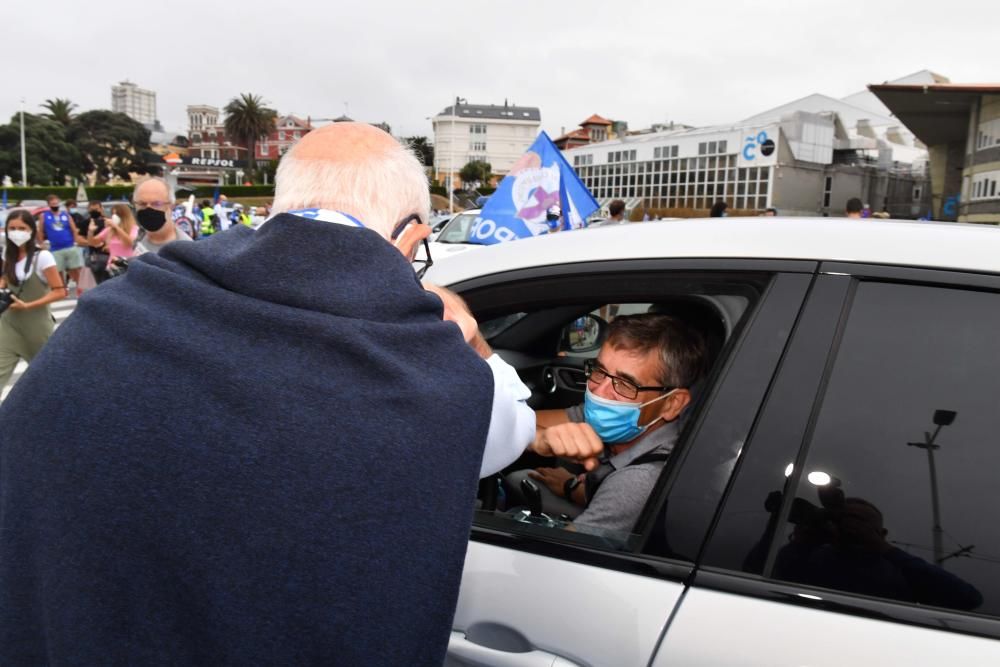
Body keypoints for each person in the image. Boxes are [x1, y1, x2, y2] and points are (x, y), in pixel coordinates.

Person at [0, 122, 567, 665]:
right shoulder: (434, 369)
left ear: (274, 211)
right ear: (414, 235)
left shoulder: (111, 314)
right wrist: (463, 323)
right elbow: (510, 429)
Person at [509, 313, 706, 538]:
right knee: (522, 478)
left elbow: (566, 558)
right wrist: (573, 487)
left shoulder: (639, 481)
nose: (599, 392)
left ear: (672, 404)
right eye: (599, 371)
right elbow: (522, 421)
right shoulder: (622, 414)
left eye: (625, 384)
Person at [0, 209, 67, 390]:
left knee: (49, 380)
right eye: (12, 228)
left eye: (21, 228)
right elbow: (5, 279)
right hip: (8, 324)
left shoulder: (42, 257)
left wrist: (28, 305)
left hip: (36, 327)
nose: (16, 232)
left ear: (31, 230)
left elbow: (60, 291)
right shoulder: (8, 254)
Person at [129, 177, 193, 255]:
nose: (148, 209)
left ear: (171, 206)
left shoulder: (185, 249)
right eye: (142, 204)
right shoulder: (139, 238)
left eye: (157, 204)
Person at [37, 194, 85, 291]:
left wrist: (76, 240)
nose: (55, 205)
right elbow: (40, 231)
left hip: (70, 245)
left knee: (75, 269)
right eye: (52, 204)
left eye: (56, 203)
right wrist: (41, 243)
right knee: (58, 271)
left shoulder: (65, 215)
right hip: (55, 248)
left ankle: (81, 289)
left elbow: (73, 229)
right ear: (49, 205)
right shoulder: (44, 216)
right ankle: (62, 289)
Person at [88, 203, 138, 269]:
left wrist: (116, 227)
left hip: (129, 264)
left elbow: (130, 242)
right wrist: (90, 231)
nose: (114, 217)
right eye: (113, 214)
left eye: (116, 214)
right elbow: (93, 242)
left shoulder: (133, 228)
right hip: (113, 265)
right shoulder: (110, 230)